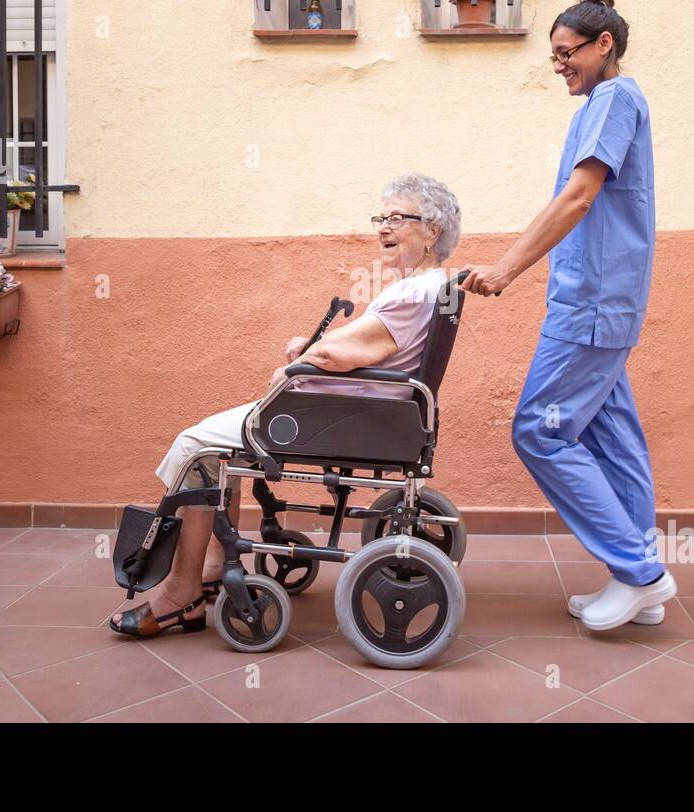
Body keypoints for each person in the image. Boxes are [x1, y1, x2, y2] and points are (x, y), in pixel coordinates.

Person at [111, 173, 462, 637]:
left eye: (397, 217)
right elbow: (370, 342)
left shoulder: (411, 290)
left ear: (432, 230)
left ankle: (182, 593)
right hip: (370, 413)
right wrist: (317, 344)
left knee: (194, 446)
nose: (383, 227)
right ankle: (212, 564)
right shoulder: (428, 286)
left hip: (337, 418)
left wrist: (302, 364)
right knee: (212, 450)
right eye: (382, 217)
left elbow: (347, 353)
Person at [460, 0, 677, 631]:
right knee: (613, 439)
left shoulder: (612, 99)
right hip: (599, 306)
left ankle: (641, 574)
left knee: (541, 431)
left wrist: (505, 268)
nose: (559, 66)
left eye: (567, 53)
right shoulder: (610, 102)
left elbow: (579, 197)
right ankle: (638, 579)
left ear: (603, 43)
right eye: (554, 56)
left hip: (591, 309)